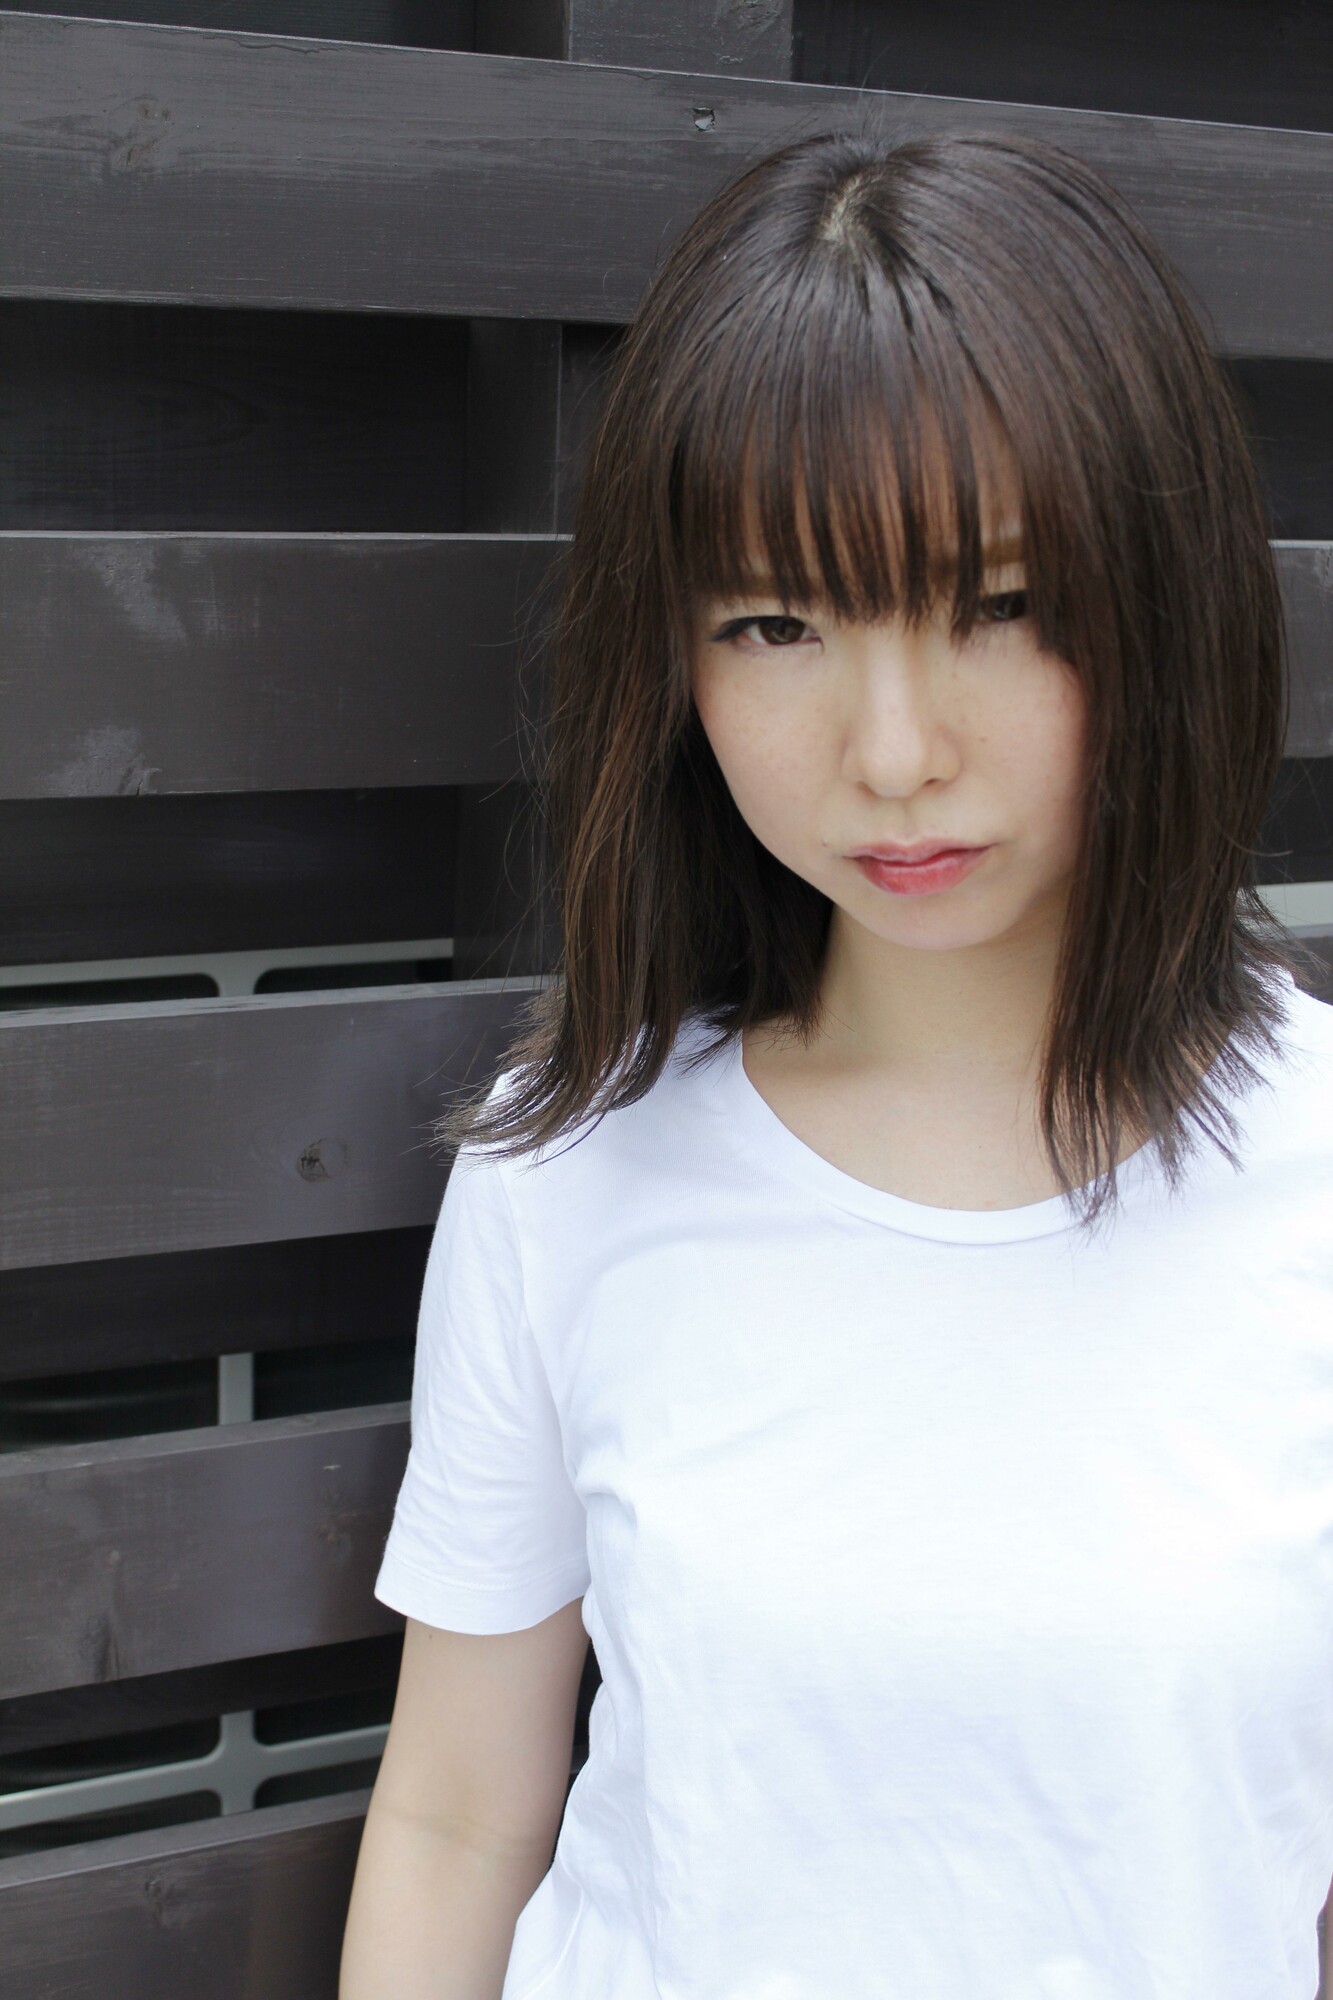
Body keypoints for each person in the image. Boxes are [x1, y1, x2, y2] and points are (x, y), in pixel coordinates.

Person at [339, 124, 1333, 2000]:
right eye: (777, 624)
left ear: (1167, 596)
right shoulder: (570, 1172)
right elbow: (458, 1818)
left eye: (1001, 604)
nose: (891, 752)